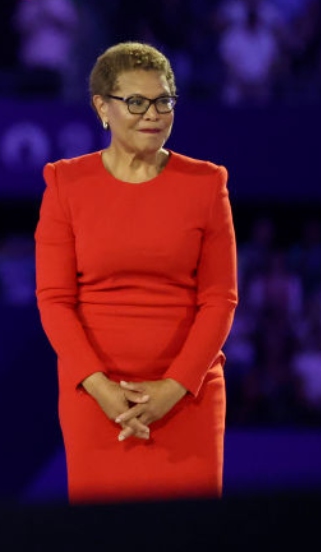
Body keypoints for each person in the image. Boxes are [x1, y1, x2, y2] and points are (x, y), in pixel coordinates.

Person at [34, 41, 238, 503]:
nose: (153, 114)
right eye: (136, 103)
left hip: (188, 399)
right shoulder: (65, 184)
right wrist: (102, 389)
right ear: (102, 108)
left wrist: (173, 389)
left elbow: (220, 299)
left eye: (164, 101)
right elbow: (54, 300)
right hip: (96, 401)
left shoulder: (207, 184)